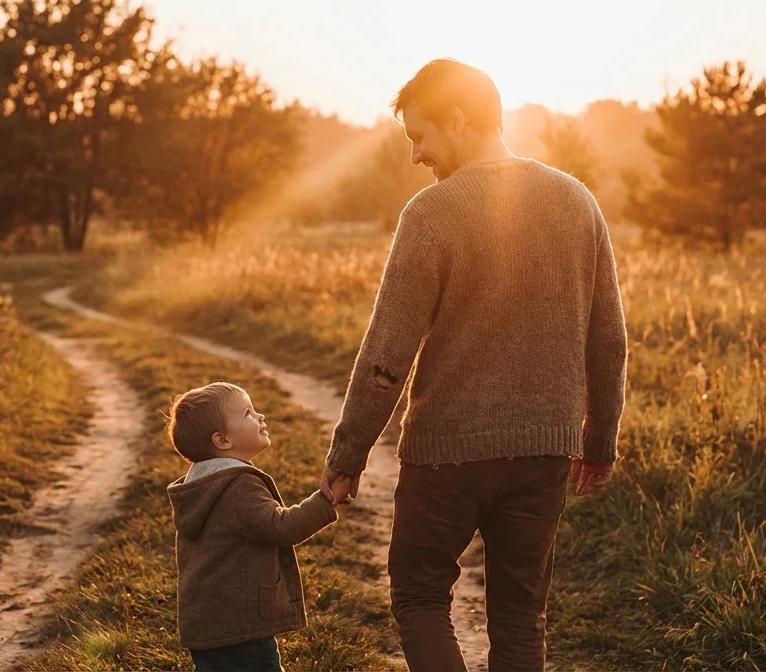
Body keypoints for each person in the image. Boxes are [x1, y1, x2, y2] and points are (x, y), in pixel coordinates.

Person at [319, 58, 629, 672]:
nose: (415, 156)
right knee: (521, 617)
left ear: (458, 120)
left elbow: (387, 353)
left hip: (447, 454)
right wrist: (599, 442)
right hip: (545, 451)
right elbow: (609, 339)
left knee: (419, 596)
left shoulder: (432, 213)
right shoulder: (576, 200)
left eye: (420, 136)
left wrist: (347, 456)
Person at [167, 382, 340, 672]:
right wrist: (326, 501)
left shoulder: (198, 486)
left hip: (206, 628)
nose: (260, 416)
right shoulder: (237, 486)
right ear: (222, 441)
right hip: (242, 629)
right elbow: (282, 526)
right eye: (248, 412)